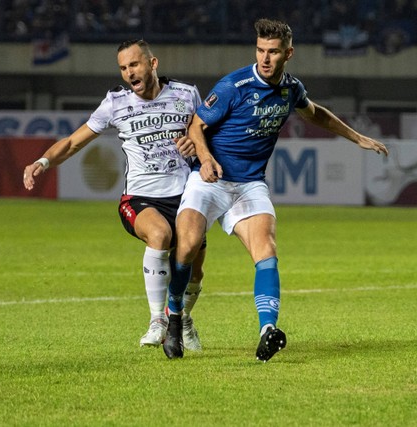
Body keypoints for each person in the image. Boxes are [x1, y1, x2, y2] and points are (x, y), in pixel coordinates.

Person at [162, 18, 389, 361]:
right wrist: (206, 159)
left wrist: (357, 137)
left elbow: (317, 114)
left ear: (289, 54)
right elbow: (196, 124)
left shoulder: (290, 89)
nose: (265, 58)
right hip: (209, 179)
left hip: (250, 184)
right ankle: (174, 317)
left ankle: (268, 330)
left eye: (273, 52)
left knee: (266, 248)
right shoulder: (233, 86)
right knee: (188, 246)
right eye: (261, 50)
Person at [23, 39, 206, 353]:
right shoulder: (116, 103)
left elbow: (205, 133)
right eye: (123, 68)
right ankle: (156, 321)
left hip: (187, 196)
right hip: (140, 197)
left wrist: (195, 144)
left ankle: (183, 319)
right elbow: (73, 141)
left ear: (153, 63)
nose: (129, 73)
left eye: (134, 64)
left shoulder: (186, 94)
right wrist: (43, 161)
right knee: (159, 235)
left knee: (194, 268)